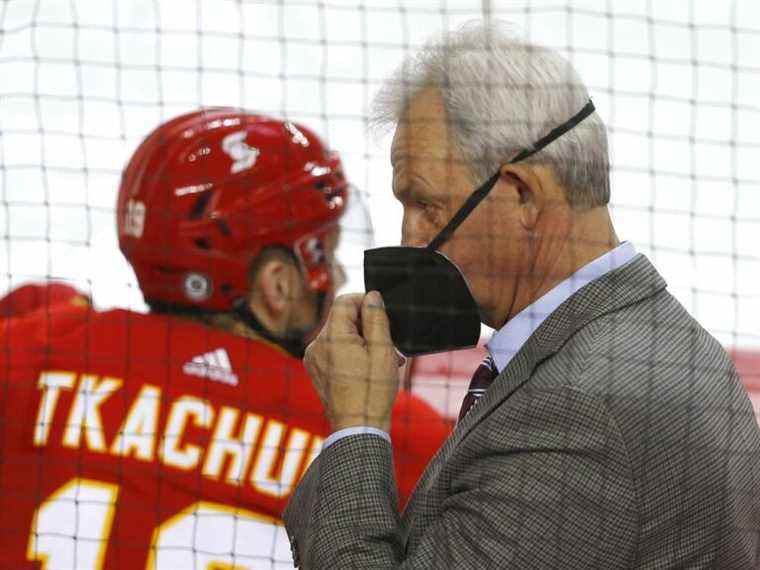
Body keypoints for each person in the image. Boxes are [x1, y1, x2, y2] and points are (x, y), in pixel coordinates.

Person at [284, 22, 760, 568]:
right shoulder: (657, 338)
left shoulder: (573, 412)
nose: (411, 238)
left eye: (426, 206)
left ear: (523, 196)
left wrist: (356, 425)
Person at [0, 108, 449, 568]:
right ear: (277, 285)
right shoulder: (393, 434)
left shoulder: (27, 351)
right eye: (326, 252)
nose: (334, 274)